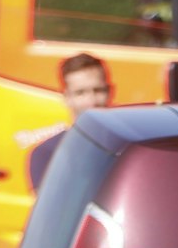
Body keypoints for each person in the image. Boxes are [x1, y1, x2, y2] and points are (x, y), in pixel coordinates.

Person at [26, 53, 113, 191]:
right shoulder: (47, 154)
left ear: (110, 91)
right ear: (67, 97)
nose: (91, 101)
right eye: (80, 93)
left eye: (98, 91)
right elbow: (48, 211)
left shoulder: (130, 149)